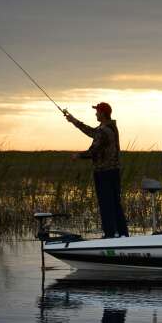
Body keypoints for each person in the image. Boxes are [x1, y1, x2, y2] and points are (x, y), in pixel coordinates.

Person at [64, 102, 129, 238]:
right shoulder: (109, 127)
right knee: (115, 203)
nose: (95, 113)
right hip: (113, 171)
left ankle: (109, 235)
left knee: (106, 204)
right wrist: (74, 121)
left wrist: (78, 155)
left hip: (104, 172)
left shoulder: (104, 130)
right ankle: (122, 234)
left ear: (103, 113)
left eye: (97, 111)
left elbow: (93, 151)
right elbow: (92, 132)